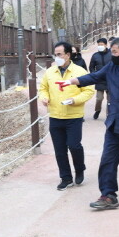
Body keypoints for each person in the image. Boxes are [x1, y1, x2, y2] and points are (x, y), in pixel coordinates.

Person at [60, 37, 119, 211]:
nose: (111, 55)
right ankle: (108, 195)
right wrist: (71, 81)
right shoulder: (112, 67)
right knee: (107, 162)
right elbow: (94, 77)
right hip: (113, 123)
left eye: (114, 52)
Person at [39, 42, 95, 190]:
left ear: (68, 55)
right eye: (55, 54)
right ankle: (66, 177)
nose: (56, 57)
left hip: (74, 116)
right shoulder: (50, 72)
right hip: (55, 116)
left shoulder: (80, 71)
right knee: (59, 149)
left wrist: (74, 100)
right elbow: (43, 88)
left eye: (59, 54)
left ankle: (79, 168)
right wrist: (44, 97)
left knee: (74, 145)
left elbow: (89, 91)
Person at [88, 38, 112, 120]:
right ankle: (97, 110)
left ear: (106, 45)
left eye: (101, 44)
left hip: (110, 80)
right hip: (99, 80)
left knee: (110, 100)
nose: (100, 46)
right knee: (99, 98)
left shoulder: (112, 54)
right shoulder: (95, 55)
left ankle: (109, 114)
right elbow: (91, 67)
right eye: (99, 45)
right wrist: (94, 75)